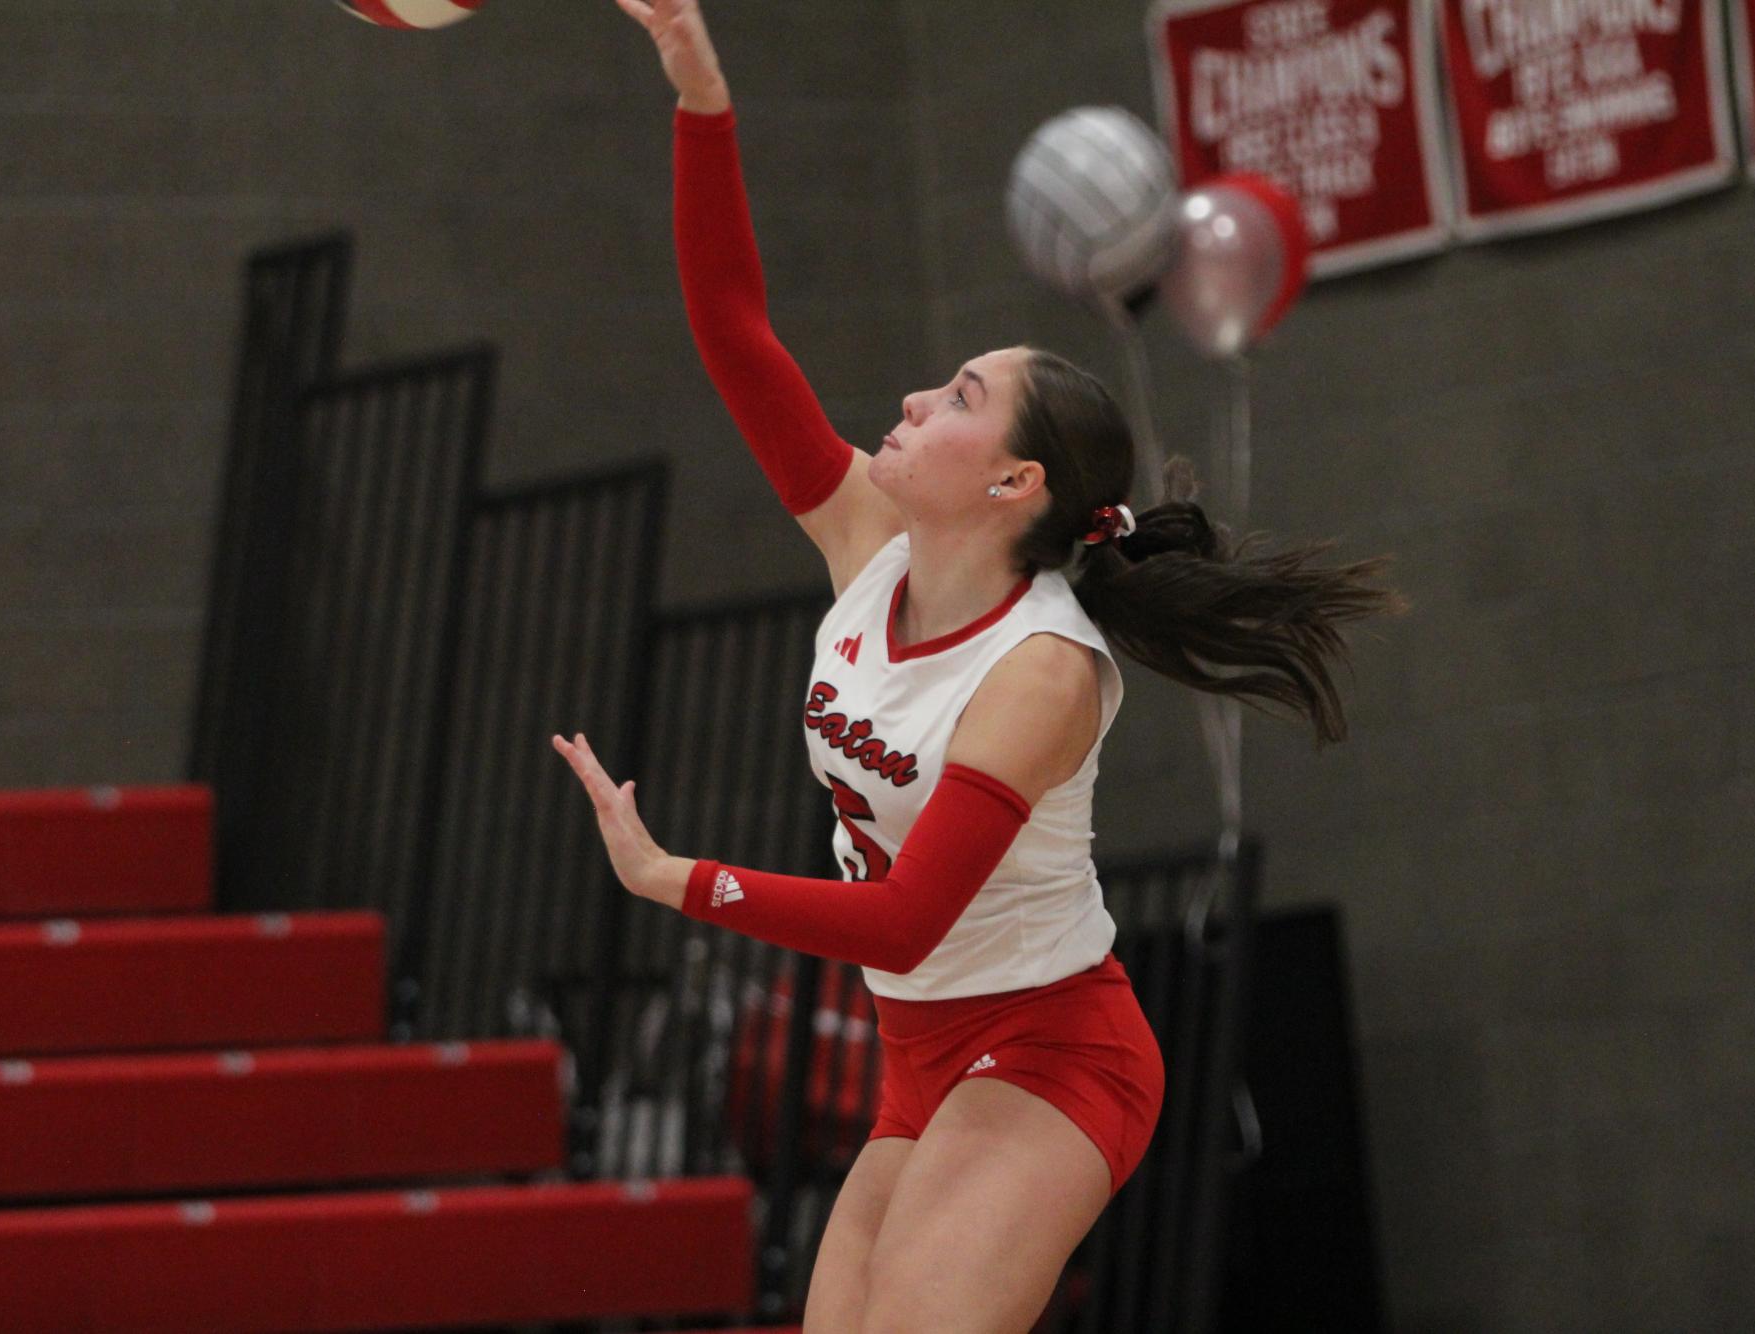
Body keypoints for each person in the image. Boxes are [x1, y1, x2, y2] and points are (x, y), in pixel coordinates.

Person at [554, 2, 1402, 1328]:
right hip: (918, 1052)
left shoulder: (1040, 669)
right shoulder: (863, 543)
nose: (906, 401)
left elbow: (906, 920)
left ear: (1014, 480)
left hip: (1054, 1047)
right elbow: (730, 325)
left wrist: (678, 880)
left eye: (954, 395)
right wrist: (700, 98)